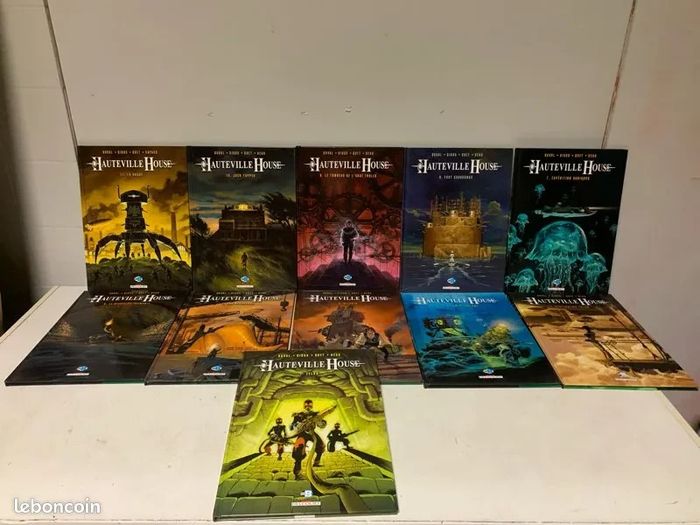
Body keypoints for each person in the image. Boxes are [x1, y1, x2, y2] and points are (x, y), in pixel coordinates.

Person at [290, 399, 326, 479]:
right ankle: (297, 473)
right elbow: (292, 426)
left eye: (310, 405)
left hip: (311, 433)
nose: (308, 407)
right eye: (306, 405)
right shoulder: (298, 415)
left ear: (312, 406)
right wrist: (298, 425)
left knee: (321, 446)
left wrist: (319, 422)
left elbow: (322, 425)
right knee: (298, 451)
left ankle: (316, 462)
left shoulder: (316, 414)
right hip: (302, 433)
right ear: (304, 406)